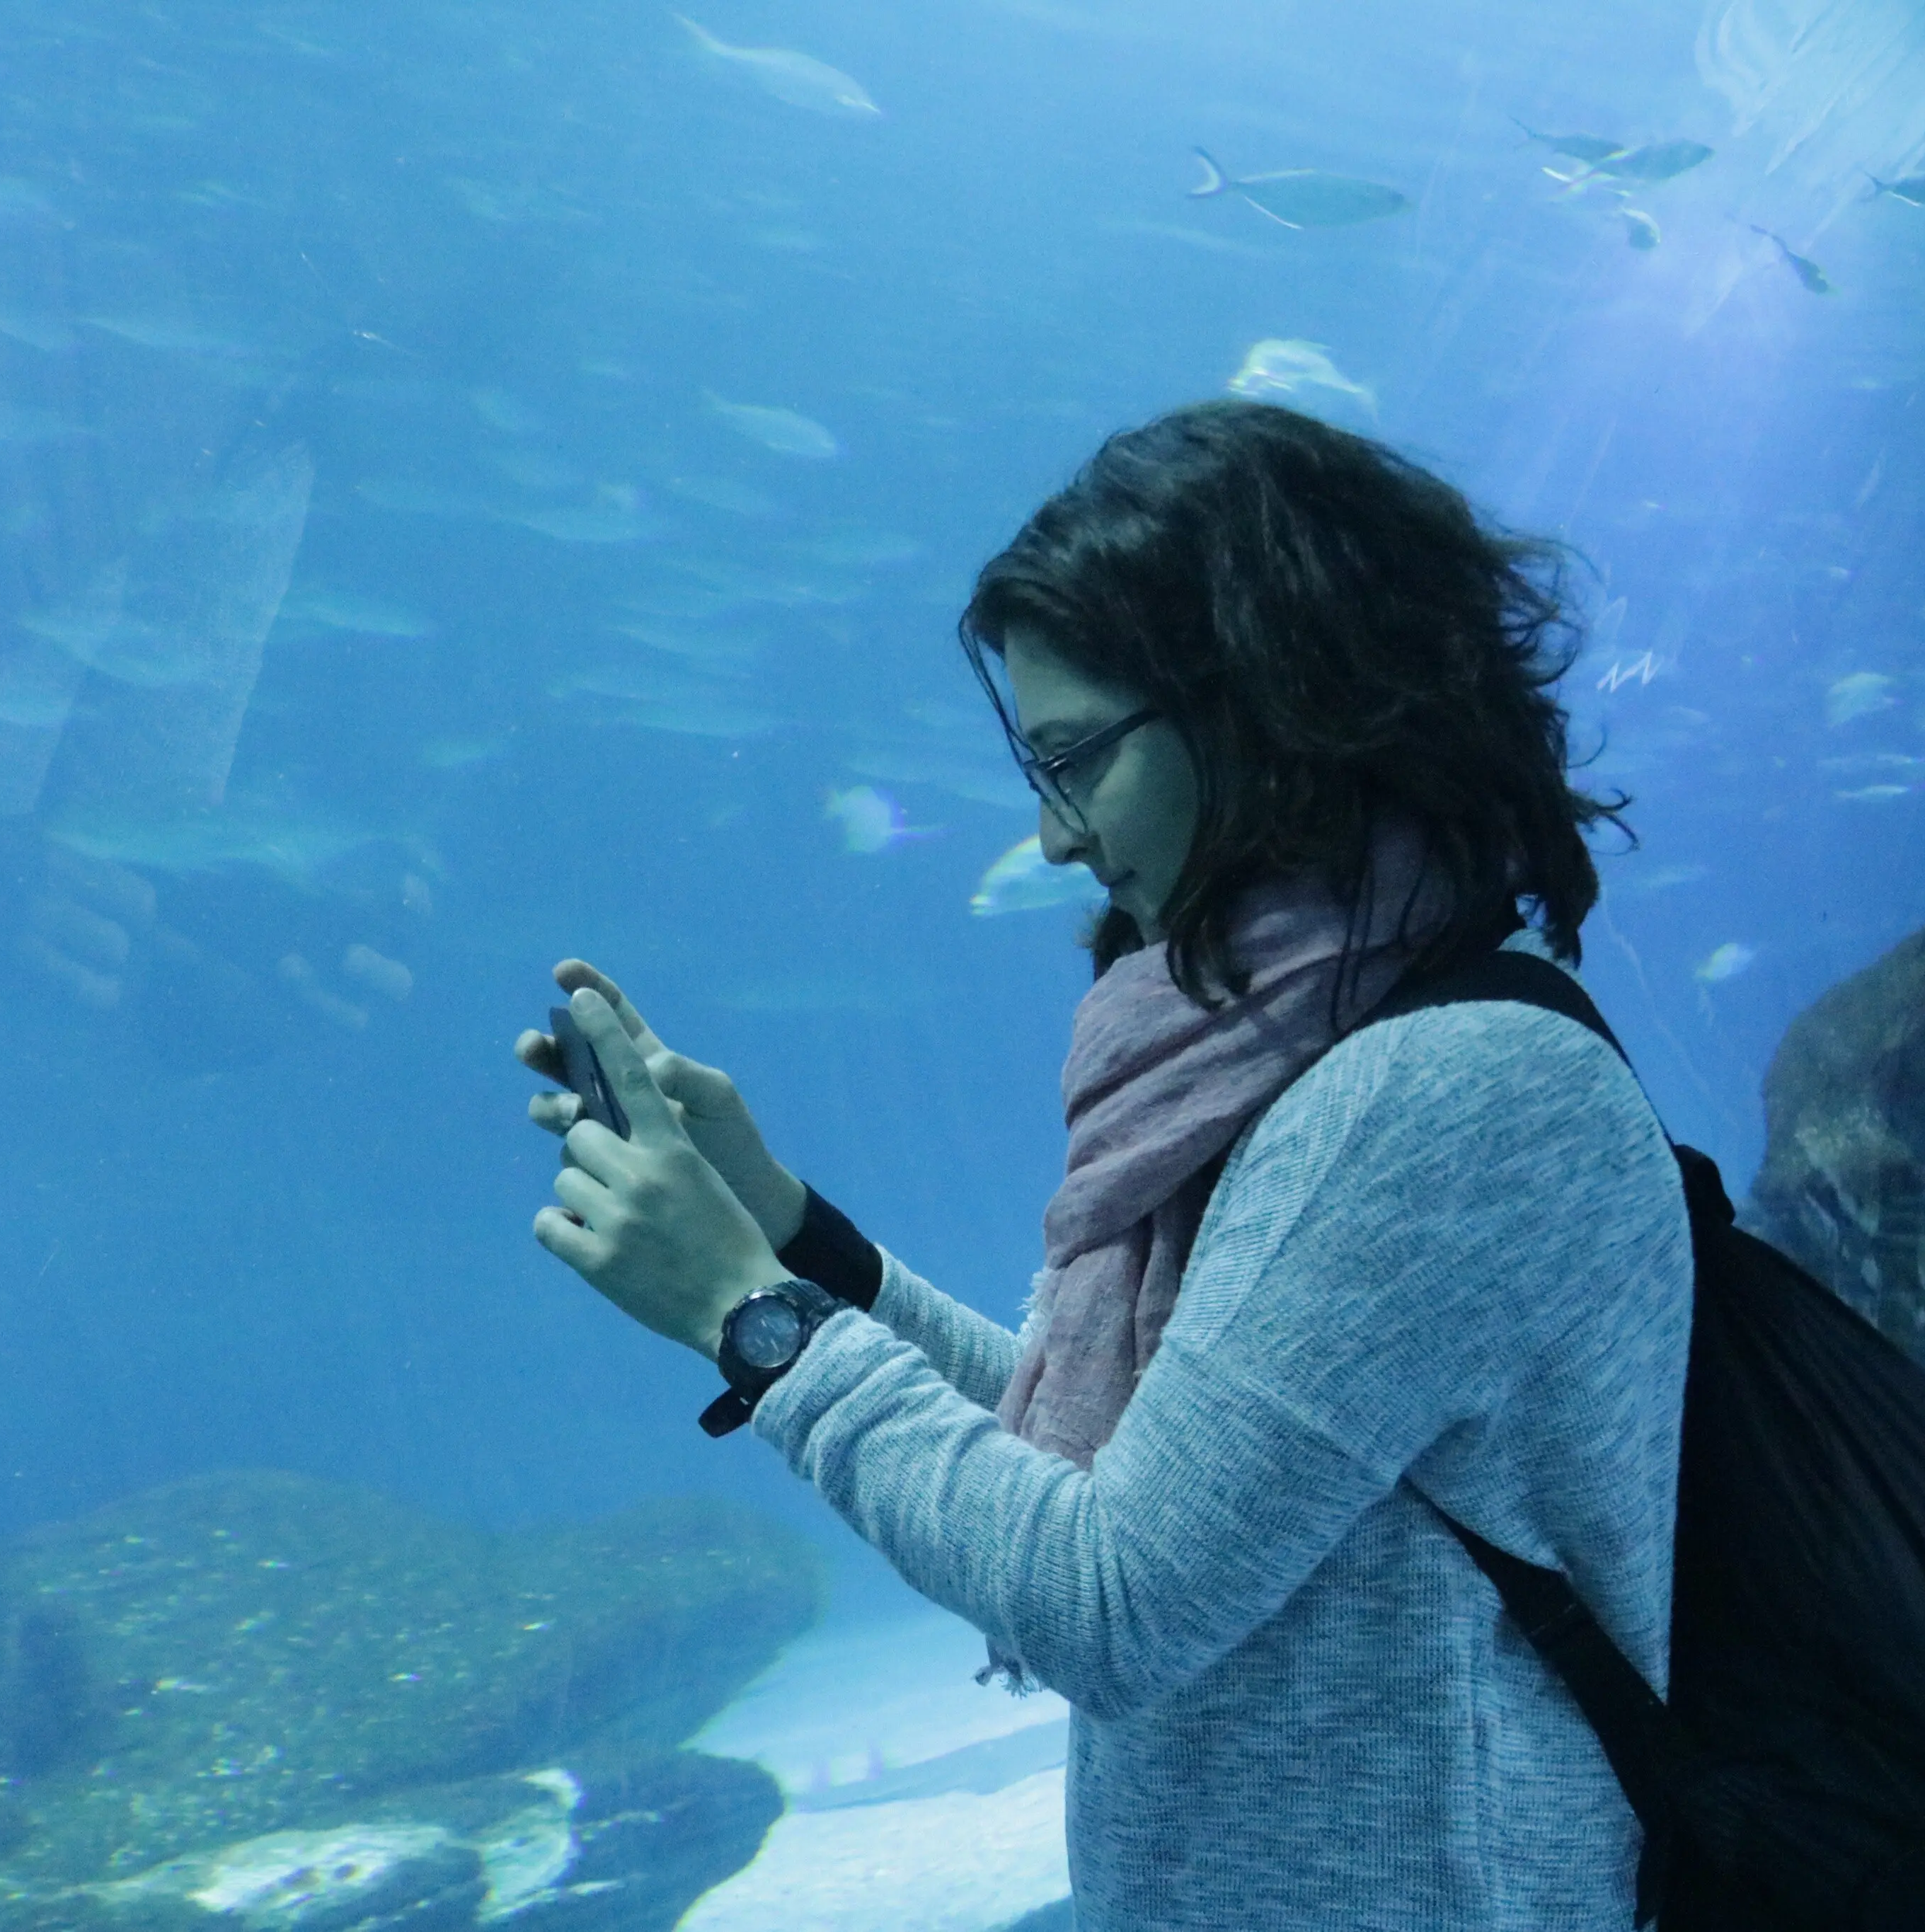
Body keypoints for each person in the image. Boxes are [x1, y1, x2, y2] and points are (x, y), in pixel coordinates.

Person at [516, 400, 1692, 1932]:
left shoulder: (1441, 1093)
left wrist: (751, 1319)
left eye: (1075, 760)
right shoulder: (1290, 1060)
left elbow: (1115, 1600)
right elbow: (1144, 1477)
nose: (1058, 840)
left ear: (1275, 699)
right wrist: (799, 1243)